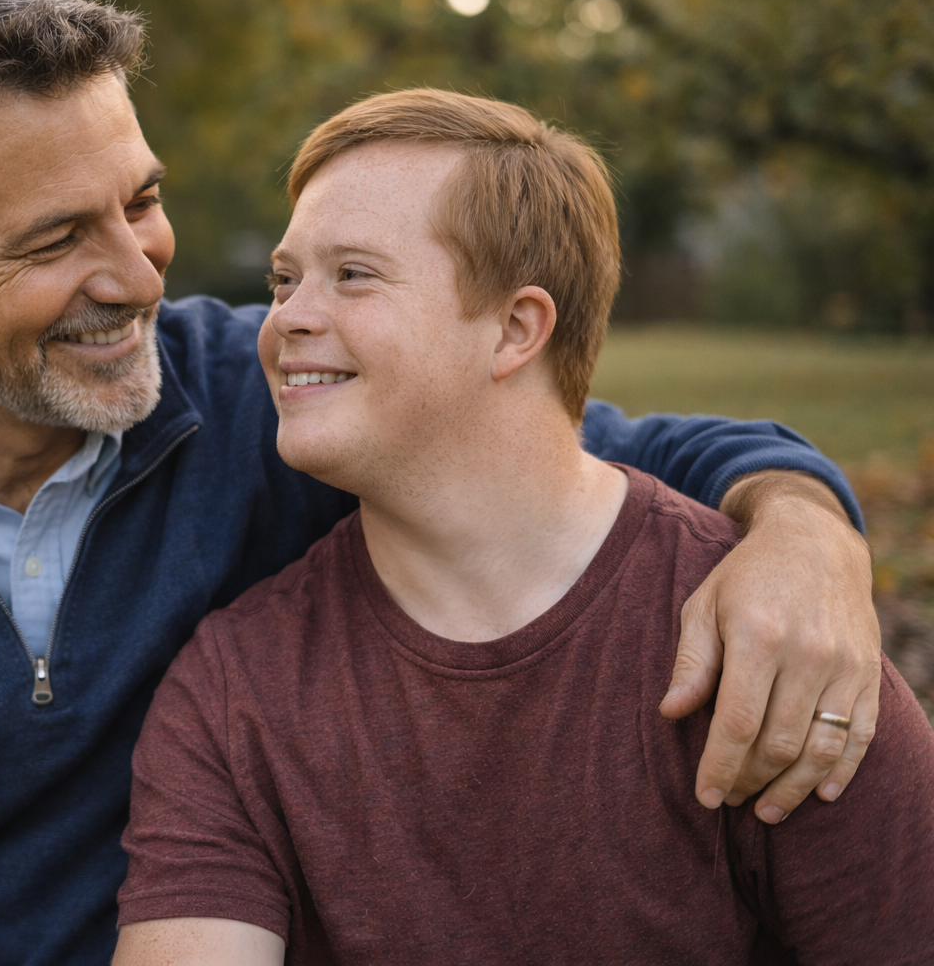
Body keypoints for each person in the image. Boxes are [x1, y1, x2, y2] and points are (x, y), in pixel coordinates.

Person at [0, 0, 882, 966]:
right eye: (51, 241)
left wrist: (805, 529)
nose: (133, 276)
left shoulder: (269, 396)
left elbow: (604, 454)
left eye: (141, 201)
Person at [112, 89, 934, 965]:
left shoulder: (773, 641)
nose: (286, 319)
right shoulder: (235, 686)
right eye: (286, 279)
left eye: (353, 274)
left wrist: (804, 519)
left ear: (514, 329)